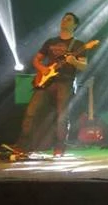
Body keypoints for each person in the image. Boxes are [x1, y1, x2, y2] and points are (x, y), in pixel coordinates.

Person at [15, 12, 87, 156]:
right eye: (63, 18)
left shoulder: (78, 45)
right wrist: (43, 69)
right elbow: (36, 60)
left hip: (65, 81)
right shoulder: (50, 42)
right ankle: (22, 146)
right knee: (31, 112)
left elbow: (84, 66)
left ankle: (60, 147)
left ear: (75, 25)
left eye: (69, 19)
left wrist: (74, 62)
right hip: (45, 81)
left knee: (62, 116)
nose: (64, 21)